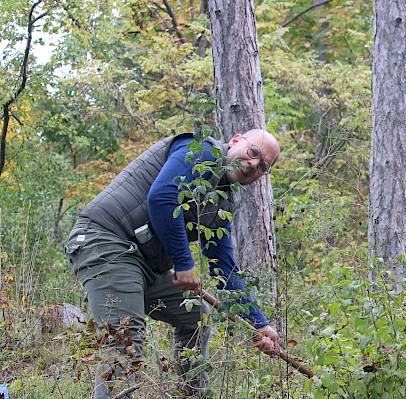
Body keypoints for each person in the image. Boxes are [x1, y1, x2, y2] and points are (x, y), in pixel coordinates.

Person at [64, 129, 282, 398]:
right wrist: (183, 263)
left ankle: (192, 393)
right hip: (106, 240)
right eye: (253, 153)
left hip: (143, 263)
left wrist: (259, 324)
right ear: (235, 140)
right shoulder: (200, 149)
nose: (253, 165)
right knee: (124, 339)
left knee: (196, 316)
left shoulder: (221, 200)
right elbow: (163, 197)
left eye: (263, 166)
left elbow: (223, 266)